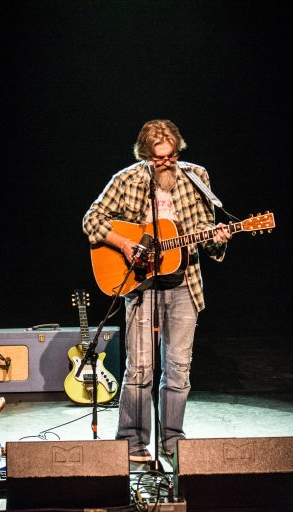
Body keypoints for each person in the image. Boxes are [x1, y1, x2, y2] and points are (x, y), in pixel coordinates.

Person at [82, 119, 232, 463]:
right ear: (145, 156)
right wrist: (123, 243)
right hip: (142, 285)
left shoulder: (197, 176)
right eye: (159, 159)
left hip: (184, 285)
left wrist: (217, 238)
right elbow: (91, 219)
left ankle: (172, 440)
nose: (167, 163)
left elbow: (205, 232)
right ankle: (132, 442)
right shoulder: (127, 179)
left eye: (172, 156)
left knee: (178, 368)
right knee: (140, 369)